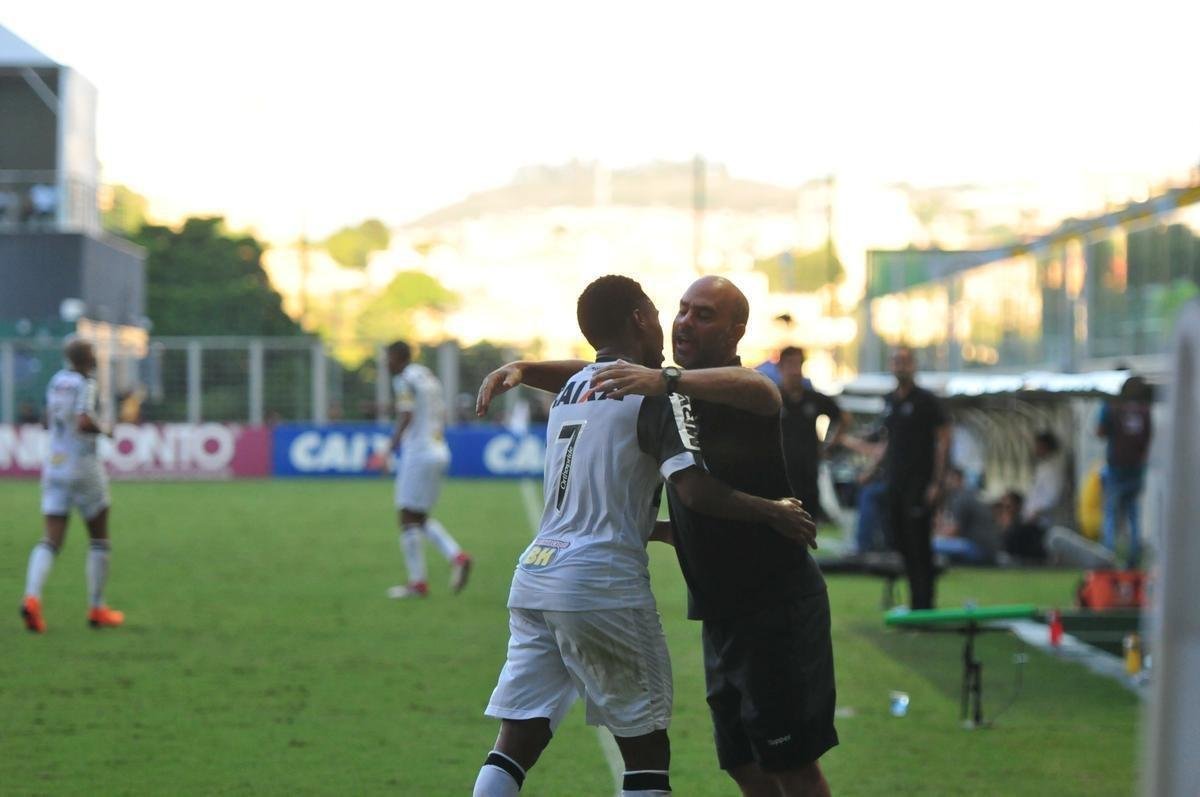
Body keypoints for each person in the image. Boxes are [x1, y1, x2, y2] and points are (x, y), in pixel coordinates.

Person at [482, 276, 837, 797]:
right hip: (717, 607)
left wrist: (766, 513)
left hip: (773, 602)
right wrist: (528, 369)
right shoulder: (658, 389)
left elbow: (761, 392)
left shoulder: (716, 387)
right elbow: (606, 373)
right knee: (746, 764)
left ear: (739, 329)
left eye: (705, 315)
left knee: (790, 763)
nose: (685, 322)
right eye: (682, 310)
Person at [20, 338, 124, 633]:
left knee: (50, 539)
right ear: (87, 359)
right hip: (82, 466)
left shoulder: (55, 382)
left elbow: (45, 421)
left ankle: (32, 599)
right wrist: (106, 430)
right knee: (99, 537)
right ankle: (97, 607)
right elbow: (82, 421)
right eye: (93, 354)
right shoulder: (85, 383)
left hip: (54, 465)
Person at [863, 346, 950, 609]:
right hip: (894, 484)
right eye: (896, 361)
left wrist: (937, 482)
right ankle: (916, 602)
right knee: (900, 542)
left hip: (919, 484)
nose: (900, 366)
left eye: (905, 361)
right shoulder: (890, 401)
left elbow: (944, 440)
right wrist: (870, 471)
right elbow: (889, 443)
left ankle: (923, 605)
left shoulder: (926, 401)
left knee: (919, 546)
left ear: (913, 365)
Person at [383, 341, 472, 599]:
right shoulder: (426, 375)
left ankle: (418, 583)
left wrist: (390, 447)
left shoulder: (403, 379)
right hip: (439, 449)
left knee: (406, 516)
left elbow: (407, 414)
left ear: (398, 357)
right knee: (418, 516)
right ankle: (457, 557)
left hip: (419, 452)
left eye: (388, 357)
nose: (386, 363)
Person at [777, 346, 850, 523]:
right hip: (781, 473)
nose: (794, 370)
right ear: (781, 368)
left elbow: (843, 417)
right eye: (790, 365)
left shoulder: (813, 398)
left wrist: (829, 445)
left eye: (798, 364)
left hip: (809, 473)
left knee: (808, 522)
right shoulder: (773, 397)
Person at [1098, 375, 1153, 568]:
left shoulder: (1112, 406)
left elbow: (1100, 431)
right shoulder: (1144, 408)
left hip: (1116, 468)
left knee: (1111, 514)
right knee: (1133, 515)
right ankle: (1134, 557)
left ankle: (1107, 557)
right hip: (1136, 469)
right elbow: (1148, 439)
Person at [933, 467, 999, 564]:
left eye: (950, 478)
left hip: (979, 549)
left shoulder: (960, 498)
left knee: (931, 544)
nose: (947, 482)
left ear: (959, 479)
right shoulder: (971, 494)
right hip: (990, 549)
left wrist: (935, 534)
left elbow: (953, 531)